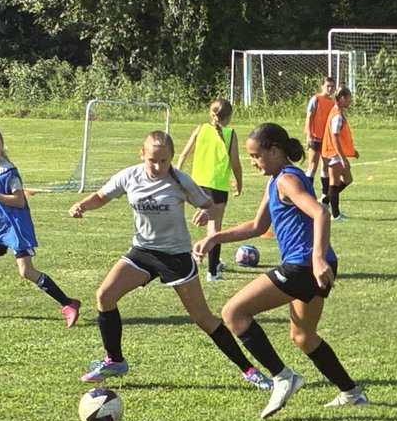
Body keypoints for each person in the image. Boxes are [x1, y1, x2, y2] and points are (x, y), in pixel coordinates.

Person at [68, 130, 272, 388]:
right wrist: (82, 206)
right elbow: (100, 196)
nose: (158, 166)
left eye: (164, 161)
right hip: (142, 252)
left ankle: (249, 369)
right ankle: (115, 361)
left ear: (171, 158)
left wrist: (205, 213)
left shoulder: (180, 181)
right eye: (152, 160)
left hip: (175, 256)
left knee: (203, 319)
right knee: (104, 296)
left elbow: (211, 205)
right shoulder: (129, 176)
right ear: (142, 155)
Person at [196, 123, 366, 419]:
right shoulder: (276, 180)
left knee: (233, 313)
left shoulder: (287, 180)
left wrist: (316, 258)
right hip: (317, 266)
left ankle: (282, 376)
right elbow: (257, 226)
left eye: (256, 155)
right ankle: (351, 392)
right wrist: (215, 237)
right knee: (303, 336)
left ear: (275, 151)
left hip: (303, 266)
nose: (253, 162)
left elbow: (320, 213)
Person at [0, 124, 81, 327]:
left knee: (26, 271)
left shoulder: (9, 172)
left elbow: (19, 201)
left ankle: (69, 304)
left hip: (16, 226)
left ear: (2, 146)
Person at [177, 98, 243, 282]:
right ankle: (212, 272)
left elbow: (184, 154)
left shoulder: (201, 129)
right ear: (229, 117)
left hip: (196, 185)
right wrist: (239, 183)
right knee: (215, 229)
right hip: (217, 186)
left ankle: (213, 261)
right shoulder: (230, 134)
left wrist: (176, 176)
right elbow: (235, 164)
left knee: (208, 225)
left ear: (210, 113)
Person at [320, 88, 358, 222]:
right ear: (342, 98)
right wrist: (342, 158)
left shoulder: (337, 112)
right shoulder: (336, 115)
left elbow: (341, 137)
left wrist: (352, 152)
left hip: (335, 152)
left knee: (348, 179)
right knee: (334, 183)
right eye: (349, 98)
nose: (350, 101)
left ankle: (325, 200)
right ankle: (335, 215)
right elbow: (334, 137)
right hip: (333, 153)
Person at [303, 76, 337, 201]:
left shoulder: (333, 102)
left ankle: (325, 194)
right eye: (328, 86)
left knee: (326, 166)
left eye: (332, 86)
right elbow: (309, 117)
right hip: (316, 137)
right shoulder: (316, 99)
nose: (330, 88)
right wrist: (309, 135)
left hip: (326, 139)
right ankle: (307, 192)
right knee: (312, 165)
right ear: (322, 86)